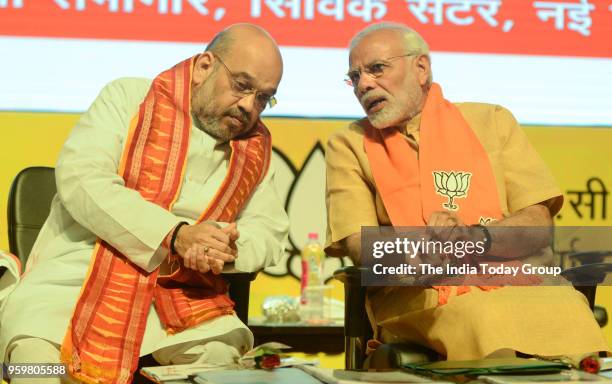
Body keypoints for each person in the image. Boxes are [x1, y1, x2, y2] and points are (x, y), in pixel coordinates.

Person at [0, 23, 289, 383]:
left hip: (183, 301)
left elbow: (268, 231)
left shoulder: (256, 149)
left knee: (221, 364)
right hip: (73, 284)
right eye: (242, 86)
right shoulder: (128, 98)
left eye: (263, 97)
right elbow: (82, 179)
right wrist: (175, 235)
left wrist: (224, 248)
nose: (249, 105)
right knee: (31, 363)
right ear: (204, 67)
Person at [325, 22, 609, 362]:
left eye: (376, 69)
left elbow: (537, 223)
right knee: (481, 318)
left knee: (568, 310)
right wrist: (420, 252)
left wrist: (472, 238)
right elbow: (360, 244)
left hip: (521, 284)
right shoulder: (350, 144)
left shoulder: (492, 121)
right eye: (354, 77)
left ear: (421, 68)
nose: (364, 84)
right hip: (421, 298)